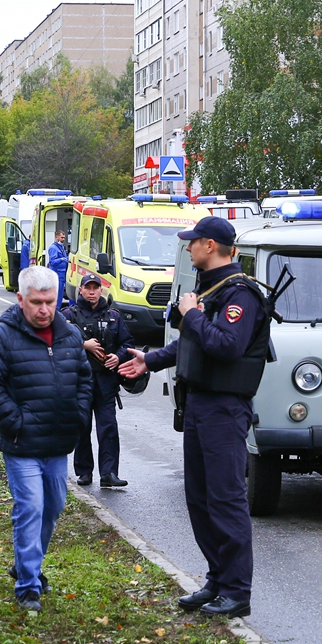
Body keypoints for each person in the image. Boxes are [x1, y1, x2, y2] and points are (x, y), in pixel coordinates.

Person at [119, 215, 270, 619]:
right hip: (200, 405)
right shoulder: (210, 290)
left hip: (225, 408)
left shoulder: (241, 295)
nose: (187, 248)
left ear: (210, 246)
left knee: (225, 500)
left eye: (192, 242)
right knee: (200, 500)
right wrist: (148, 360)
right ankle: (218, 581)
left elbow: (225, 347)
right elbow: (191, 346)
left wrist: (193, 314)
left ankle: (237, 591)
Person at [0, 265, 91, 613]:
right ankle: (29, 583)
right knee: (31, 507)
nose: (44, 310)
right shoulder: (0, 337)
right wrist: (18, 422)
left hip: (58, 443)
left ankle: (25, 563)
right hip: (22, 445)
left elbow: (85, 379)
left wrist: (78, 415)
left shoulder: (70, 336)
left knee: (53, 505)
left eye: (50, 302)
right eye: (36, 302)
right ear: (20, 299)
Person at [63, 272, 134, 487]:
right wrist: (83, 345)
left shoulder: (113, 316)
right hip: (80, 380)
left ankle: (109, 473)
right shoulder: (69, 315)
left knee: (108, 428)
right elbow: (56, 341)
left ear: (101, 290)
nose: (92, 292)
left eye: (96, 288)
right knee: (82, 427)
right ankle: (84, 472)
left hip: (106, 380)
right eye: (88, 288)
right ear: (81, 290)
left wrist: (118, 357)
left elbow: (127, 343)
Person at [47, 230, 69, 306]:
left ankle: (57, 312)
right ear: (56, 237)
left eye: (64, 238)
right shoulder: (53, 248)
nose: (63, 239)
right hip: (56, 275)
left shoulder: (62, 247)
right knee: (56, 296)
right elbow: (52, 262)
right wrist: (62, 259)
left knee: (60, 296)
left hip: (62, 275)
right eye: (62, 237)